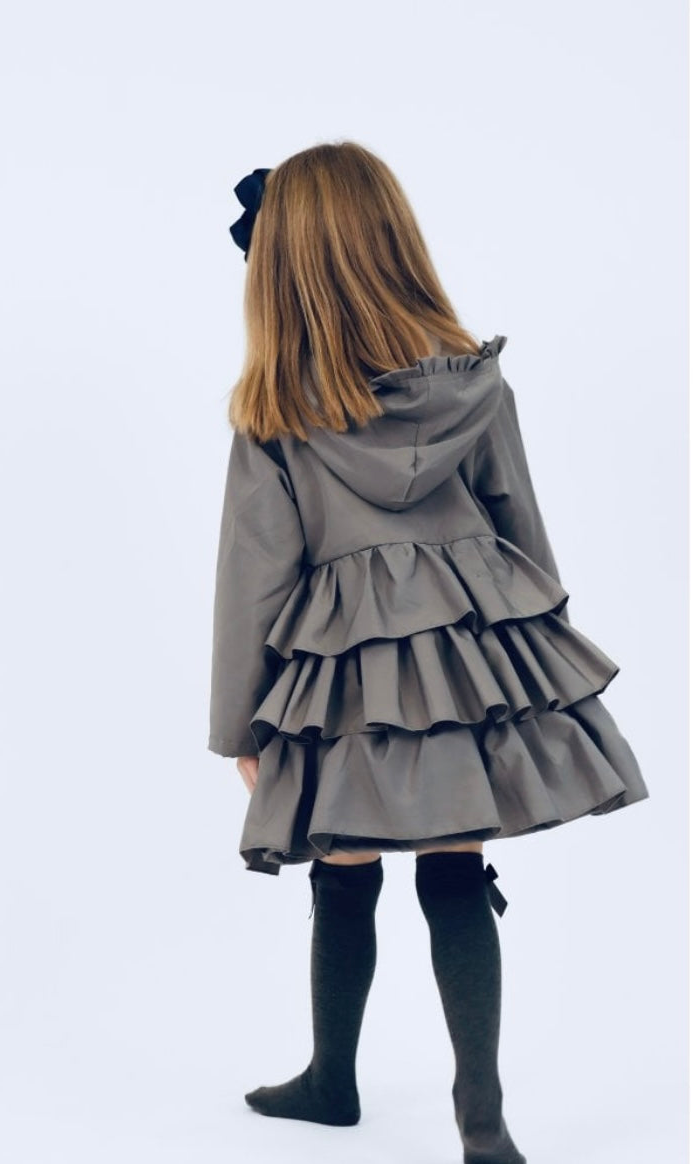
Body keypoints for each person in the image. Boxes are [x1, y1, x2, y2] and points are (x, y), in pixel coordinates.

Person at [206, 141, 649, 1164]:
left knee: (343, 861)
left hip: (343, 676)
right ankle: (482, 1124)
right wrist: (534, 676)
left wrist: (241, 728)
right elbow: (520, 534)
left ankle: (330, 1081)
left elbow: (253, 581)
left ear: (282, 267)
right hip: (464, 667)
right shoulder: (475, 387)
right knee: (456, 866)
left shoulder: (275, 410)